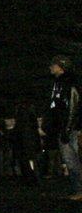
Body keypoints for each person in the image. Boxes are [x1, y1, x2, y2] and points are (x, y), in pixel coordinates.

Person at [45, 55, 82, 200]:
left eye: (53, 65)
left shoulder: (67, 83)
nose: (51, 67)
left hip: (67, 128)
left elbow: (72, 107)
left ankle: (79, 189)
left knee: (70, 159)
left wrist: (66, 128)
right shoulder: (61, 83)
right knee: (70, 159)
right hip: (65, 127)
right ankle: (77, 188)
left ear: (60, 66)